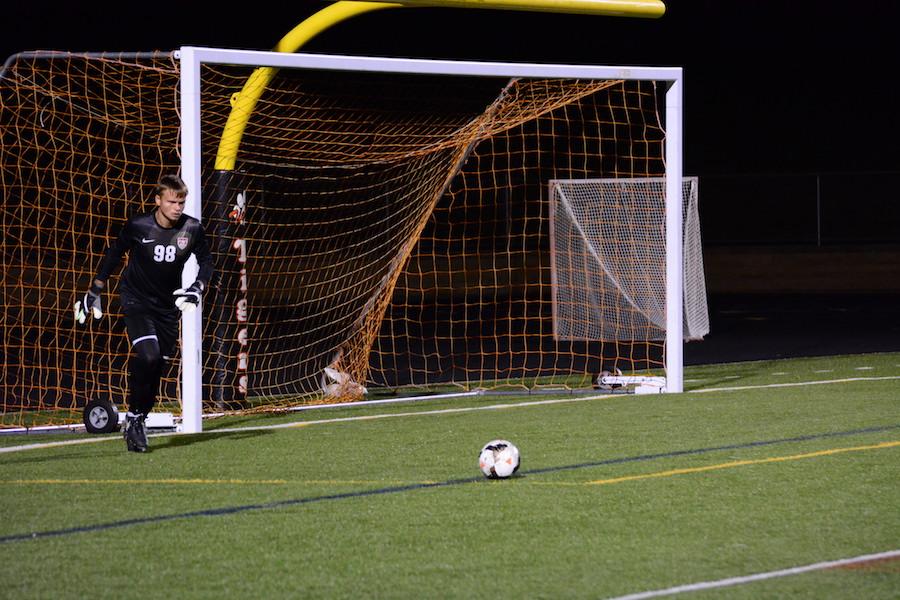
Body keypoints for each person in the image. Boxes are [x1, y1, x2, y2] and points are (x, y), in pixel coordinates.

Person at [74, 174, 214, 452]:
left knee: (157, 368)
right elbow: (114, 254)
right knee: (147, 356)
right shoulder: (139, 225)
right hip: (136, 299)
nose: (177, 207)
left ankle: (138, 416)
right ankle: (136, 420)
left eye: (181, 202)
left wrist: (198, 286)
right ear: (158, 200)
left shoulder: (192, 229)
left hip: (167, 307)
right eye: (172, 201)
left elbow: (208, 262)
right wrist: (95, 290)